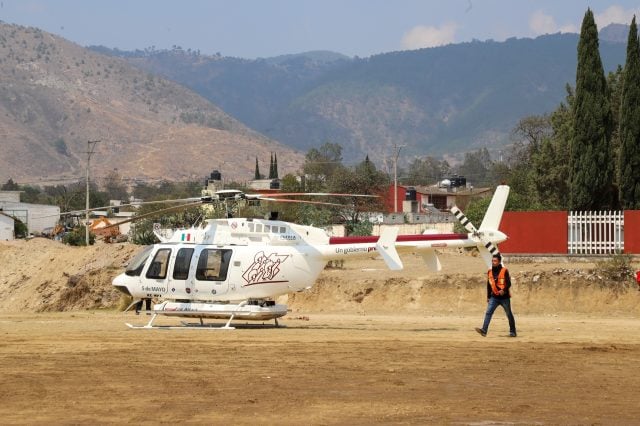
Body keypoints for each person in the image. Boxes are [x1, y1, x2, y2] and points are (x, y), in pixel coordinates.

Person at [475, 254, 517, 337]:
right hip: (494, 297)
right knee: (488, 313)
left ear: (499, 262)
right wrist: (488, 296)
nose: (493, 262)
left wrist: (504, 290)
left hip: (504, 298)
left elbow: (508, 283)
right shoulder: (489, 271)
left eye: (495, 261)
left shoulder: (504, 270)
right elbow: (489, 285)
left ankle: (513, 332)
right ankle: (484, 330)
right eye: (492, 261)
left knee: (509, 314)